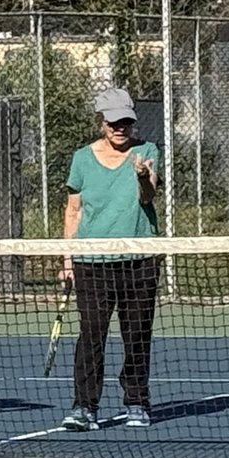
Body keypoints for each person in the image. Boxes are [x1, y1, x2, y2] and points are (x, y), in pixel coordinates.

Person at [58, 87, 162, 430]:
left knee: (136, 334)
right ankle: (84, 407)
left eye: (126, 122)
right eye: (114, 122)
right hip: (92, 262)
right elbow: (74, 211)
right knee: (91, 335)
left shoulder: (146, 151)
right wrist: (67, 260)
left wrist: (143, 176)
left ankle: (136, 401)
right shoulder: (81, 159)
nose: (121, 128)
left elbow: (148, 197)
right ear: (101, 122)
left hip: (139, 259)